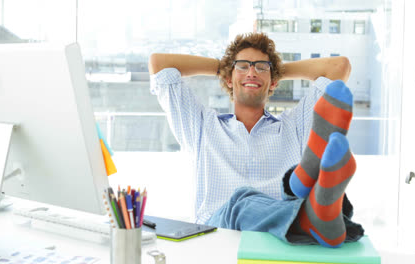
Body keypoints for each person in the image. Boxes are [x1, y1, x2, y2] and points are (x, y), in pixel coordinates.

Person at [148, 32, 363, 247]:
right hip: (218, 233)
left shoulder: (293, 126)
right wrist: (226, 67)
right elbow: (159, 64)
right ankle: (314, 214)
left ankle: (315, 216)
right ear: (228, 80)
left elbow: (339, 66)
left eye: (261, 67)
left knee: (268, 199)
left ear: (274, 84)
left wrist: (273, 69)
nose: (251, 72)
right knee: (241, 202)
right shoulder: (202, 126)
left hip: (277, 237)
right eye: (243, 66)